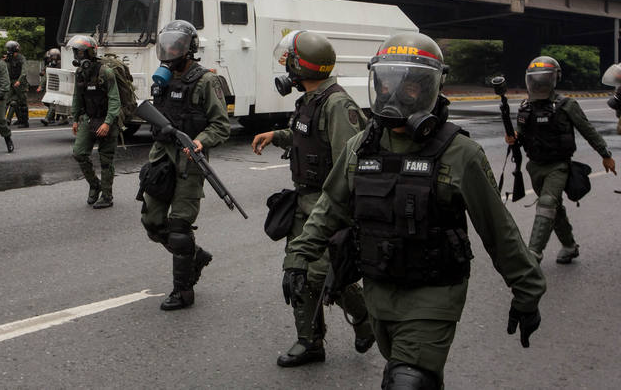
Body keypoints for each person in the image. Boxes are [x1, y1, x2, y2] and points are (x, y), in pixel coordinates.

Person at [287, 32, 546, 388]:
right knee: (407, 372)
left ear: (431, 88)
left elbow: (498, 230)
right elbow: (330, 206)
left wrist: (527, 291)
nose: (393, 96)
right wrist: (299, 257)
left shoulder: (460, 153)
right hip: (379, 290)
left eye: (409, 88)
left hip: (434, 295)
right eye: (387, 85)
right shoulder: (360, 146)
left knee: (408, 381)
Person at [251, 31, 374, 367]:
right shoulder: (312, 100)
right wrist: (278, 135)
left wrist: (339, 214)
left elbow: (348, 164)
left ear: (299, 65)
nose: (286, 65)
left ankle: (362, 323)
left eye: (289, 59)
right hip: (304, 202)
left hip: (327, 206)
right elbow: (310, 136)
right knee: (308, 271)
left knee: (317, 275)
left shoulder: (337, 104)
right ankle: (312, 341)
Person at [140, 20, 230, 311]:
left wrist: (201, 142)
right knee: (153, 224)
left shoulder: (206, 81)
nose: (170, 50)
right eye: (167, 44)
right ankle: (196, 255)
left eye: (177, 45)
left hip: (190, 162)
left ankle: (183, 291)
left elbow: (221, 126)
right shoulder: (162, 80)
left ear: (189, 48)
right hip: (160, 158)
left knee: (179, 228)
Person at [507, 56, 616, 264]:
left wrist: (606, 155)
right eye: (536, 79)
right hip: (535, 167)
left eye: (544, 79)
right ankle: (569, 246)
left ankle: (533, 254)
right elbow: (520, 135)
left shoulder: (567, 105)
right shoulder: (526, 107)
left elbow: (588, 131)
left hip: (558, 166)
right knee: (553, 208)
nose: (540, 83)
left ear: (554, 79)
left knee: (547, 203)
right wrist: (512, 137)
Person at [68, 35, 121, 209]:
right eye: (77, 52)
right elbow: (77, 97)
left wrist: (107, 123)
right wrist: (75, 118)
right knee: (79, 153)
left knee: (106, 160)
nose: (79, 56)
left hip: (107, 120)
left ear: (91, 52)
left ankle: (107, 196)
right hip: (88, 119)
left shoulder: (106, 72)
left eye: (82, 52)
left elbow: (115, 100)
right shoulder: (80, 73)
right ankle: (94, 185)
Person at [5, 41, 30, 128]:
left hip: (20, 83)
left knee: (22, 103)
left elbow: (24, 71)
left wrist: (19, 81)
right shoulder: (9, 58)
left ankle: (25, 122)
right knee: (8, 101)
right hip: (11, 82)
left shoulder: (21, 58)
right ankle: (16, 119)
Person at [39, 48, 66, 126]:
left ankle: (48, 119)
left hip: (59, 86)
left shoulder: (62, 64)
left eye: (51, 57)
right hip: (51, 86)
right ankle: (63, 118)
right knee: (46, 101)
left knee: (53, 103)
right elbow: (43, 72)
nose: (50, 59)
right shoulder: (50, 65)